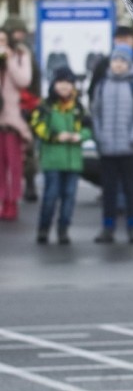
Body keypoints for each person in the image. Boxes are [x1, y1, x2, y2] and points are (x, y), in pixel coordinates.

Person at [89, 43, 133, 243]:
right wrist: (99, 136)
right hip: (107, 148)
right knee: (109, 191)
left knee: (131, 189)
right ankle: (108, 227)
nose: (118, 64)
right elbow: (95, 113)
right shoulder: (102, 85)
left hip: (130, 149)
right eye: (115, 60)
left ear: (128, 63)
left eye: (122, 61)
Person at [30, 67, 90, 244]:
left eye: (68, 83)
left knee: (69, 197)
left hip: (73, 161)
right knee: (50, 196)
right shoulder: (46, 106)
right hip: (52, 160)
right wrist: (55, 136)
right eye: (61, 82)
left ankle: (63, 228)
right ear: (54, 84)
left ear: (73, 86)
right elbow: (36, 125)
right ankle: (44, 228)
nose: (64, 86)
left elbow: (88, 128)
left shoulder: (78, 107)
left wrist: (80, 136)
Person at [4, 16, 40, 202]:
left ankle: (30, 183)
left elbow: (33, 78)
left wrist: (34, 102)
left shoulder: (25, 52)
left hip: (26, 104)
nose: (21, 35)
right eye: (17, 32)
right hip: (8, 106)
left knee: (28, 148)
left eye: (22, 32)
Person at [0, 26, 34, 221]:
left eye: (3, 40)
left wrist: (9, 60)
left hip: (13, 121)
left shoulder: (20, 56)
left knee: (14, 165)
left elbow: (24, 81)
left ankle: (12, 201)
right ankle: (2, 201)